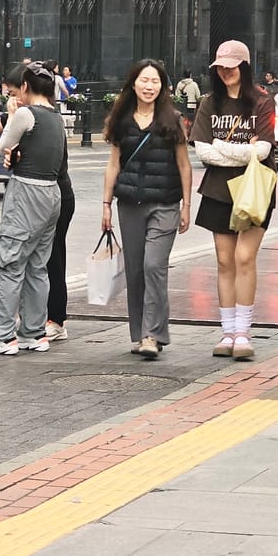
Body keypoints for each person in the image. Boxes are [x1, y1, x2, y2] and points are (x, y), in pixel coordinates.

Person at [0, 63, 66, 355]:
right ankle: (33, 334)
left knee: (8, 262)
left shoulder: (26, 113)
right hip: (52, 194)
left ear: (25, 87)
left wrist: (10, 118)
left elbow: (5, 144)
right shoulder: (56, 117)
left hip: (26, 192)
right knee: (37, 266)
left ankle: (0, 336)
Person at [190, 39, 276, 362]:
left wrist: (222, 146)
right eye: (221, 67)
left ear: (244, 66)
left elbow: (264, 151)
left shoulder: (262, 102)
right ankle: (227, 331)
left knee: (244, 258)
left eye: (231, 65)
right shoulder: (210, 103)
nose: (226, 72)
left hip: (254, 188)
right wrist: (242, 151)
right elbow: (203, 152)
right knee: (224, 261)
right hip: (218, 190)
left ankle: (243, 332)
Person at [102, 58, 192, 359]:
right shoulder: (122, 119)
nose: (149, 87)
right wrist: (105, 205)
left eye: (155, 81)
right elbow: (113, 163)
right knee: (137, 271)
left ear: (163, 86)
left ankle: (153, 334)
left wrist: (186, 205)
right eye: (144, 80)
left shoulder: (172, 119)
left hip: (165, 203)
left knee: (154, 266)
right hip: (129, 204)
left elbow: (183, 164)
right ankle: (141, 332)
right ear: (133, 83)